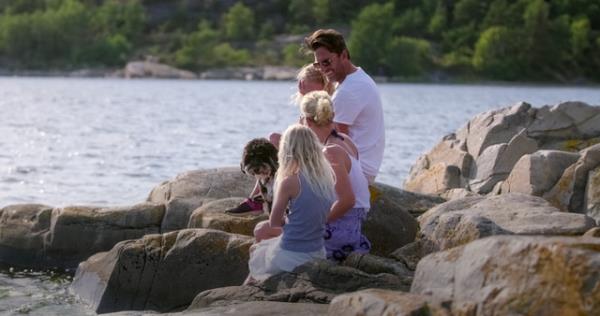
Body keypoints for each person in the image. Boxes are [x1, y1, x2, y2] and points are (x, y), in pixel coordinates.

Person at [227, 64, 333, 214]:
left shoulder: (323, 105)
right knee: (274, 141)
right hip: (309, 151)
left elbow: (320, 138)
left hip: (317, 155)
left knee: (275, 140)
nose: (300, 85)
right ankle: (261, 195)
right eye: (300, 81)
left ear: (321, 83)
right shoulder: (310, 106)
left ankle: (261, 198)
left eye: (305, 81)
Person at [246, 124, 336, 283]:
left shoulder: (289, 182)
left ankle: (243, 296)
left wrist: (289, 218)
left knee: (256, 253)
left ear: (287, 149)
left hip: (291, 255)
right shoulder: (327, 179)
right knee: (263, 239)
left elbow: (275, 222)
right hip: (318, 251)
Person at [304, 29, 385, 184]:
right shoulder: (360, 78)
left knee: (281, 143)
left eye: (326, 62)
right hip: (363, 165)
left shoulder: (348, 92)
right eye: (318, 64)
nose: (323, 69)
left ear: (344, 55)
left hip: (356, 170)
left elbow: (334, 140)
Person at [299, 90, 371, 262]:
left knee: (278, 239)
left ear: (307, 121)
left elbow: (347, 200)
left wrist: (316, 223)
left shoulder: (330, 152)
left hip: (340, 228)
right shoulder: (346, 140)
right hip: (353, 226)